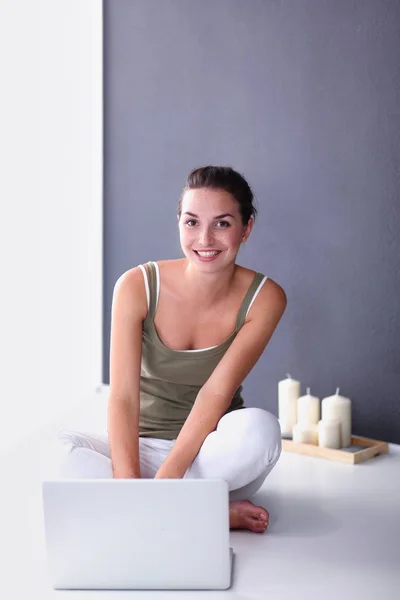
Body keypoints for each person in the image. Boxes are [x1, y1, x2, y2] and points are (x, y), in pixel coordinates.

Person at [58, 165, 287, 534]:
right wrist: (130, 484)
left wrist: (167, 480)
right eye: (192, 222)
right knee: (56, 454)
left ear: (246, 229)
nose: (205, 238)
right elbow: (123, 398)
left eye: (223, 223)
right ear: (179, 222)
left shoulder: (265, 298)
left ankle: (149, 507)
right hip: (139, 446)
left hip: (209, 454)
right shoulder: (136, 285)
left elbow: (216, 392)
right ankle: (207, 513)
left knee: (262, 431)